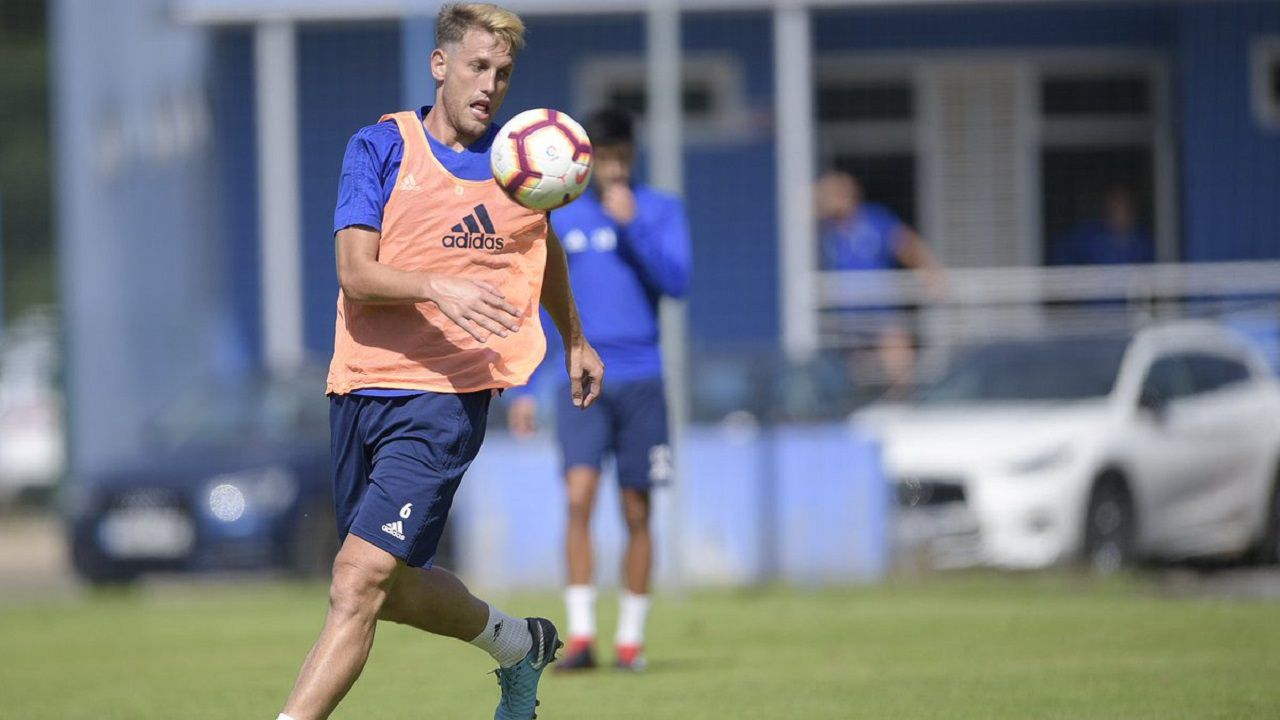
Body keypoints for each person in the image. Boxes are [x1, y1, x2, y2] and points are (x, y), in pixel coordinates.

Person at [276, 5, 604, 720]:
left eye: (503, 73)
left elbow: (540, 255)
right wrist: (438, 285)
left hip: (445, 400)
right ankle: (517, 642)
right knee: (390, 590)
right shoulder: (380, 146)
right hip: (359, 386)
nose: (490, 84)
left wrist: (575, 337)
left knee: (356, 582)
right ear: (440, 64)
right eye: (478, 66)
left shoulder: (522, 168)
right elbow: (355, 274)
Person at [506, 108, 691, 672]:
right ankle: (581, 637)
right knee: (577, 498)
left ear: (631, 156)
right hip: (581, 381)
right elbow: (540, 306)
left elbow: (678, 281)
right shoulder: (559, 214)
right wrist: (524, 389)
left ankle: (631, 641)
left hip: (642, 381)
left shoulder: (659, 209)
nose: (611, 167)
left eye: (619, 156)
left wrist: (631, 224)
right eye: (602, 156)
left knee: (637, 509)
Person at [815, 169, 944, 396]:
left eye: (837, 193)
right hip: (849, 319)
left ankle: (905, 405)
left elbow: (908, 246)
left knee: (899, 364)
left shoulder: (874, 219)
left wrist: (931, 272)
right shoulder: (826, 230)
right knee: (853, 378)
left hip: (882, 312)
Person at [1049, 185, 1154, 266]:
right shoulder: (1089, 234)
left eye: (1125, 207)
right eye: (1116, 206)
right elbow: (1062, 255)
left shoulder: (1143, 240)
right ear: (1107, 208)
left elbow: (1157, 272)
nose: (1120, 212)